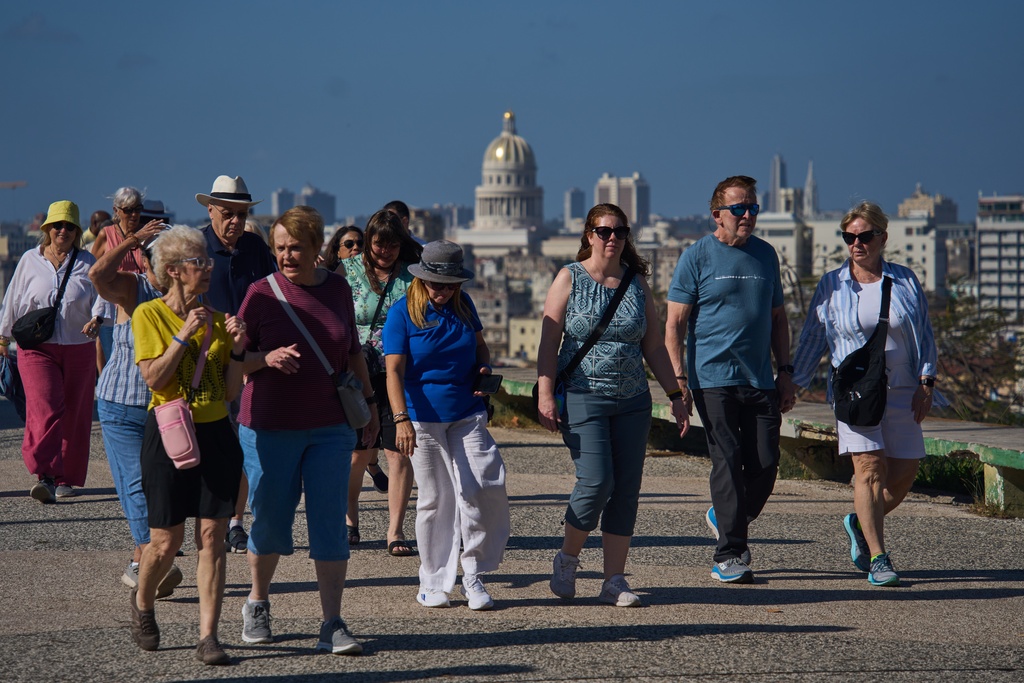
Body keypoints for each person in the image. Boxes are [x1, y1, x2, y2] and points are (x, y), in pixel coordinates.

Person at [235, 206, 379, 654]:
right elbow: (235, 364)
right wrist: (265, 358)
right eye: (279, 248)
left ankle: (332, 622)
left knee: (329, 523)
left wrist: (371, 407)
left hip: (331, 426)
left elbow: (353, 351)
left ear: (318, 248)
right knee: (271, 521)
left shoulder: (338, 289)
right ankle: (257, 603)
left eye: (295, 247)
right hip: (271, 426)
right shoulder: (260, 294)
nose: (286, 255)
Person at [537, 204, 688, 607]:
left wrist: (675, 395)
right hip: (585, 395)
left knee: (626, 490)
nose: (612, 239)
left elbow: (653, 344)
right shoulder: (569, 277)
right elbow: (549, 341)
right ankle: (568, 558)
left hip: (633, 399)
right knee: (597, 481)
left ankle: (614, 580)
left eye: (619, 231)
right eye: (603, 231)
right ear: (589, 234)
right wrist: (545, 391)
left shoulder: (636, 281)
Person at [791, 201, 942, 587]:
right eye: (850, 237)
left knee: (904, 473)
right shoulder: (833, 284)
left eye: (865, 236)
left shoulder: (905, 280)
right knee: (870, 469)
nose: (857, 243)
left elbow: (924, 333)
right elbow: (813, 337)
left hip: (904, 390)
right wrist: (794, 383)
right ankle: (879, 557)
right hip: (856, 393)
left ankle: (859, 522)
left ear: (882, 238)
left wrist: (927, 382)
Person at [665, 175, 796, 584]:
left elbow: (778, 318)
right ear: (717, 214)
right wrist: (679, 380)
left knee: (767, 460)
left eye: (753, 207)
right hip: (712, 377)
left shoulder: (765, 255)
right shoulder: (697, 256)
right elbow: (674, 323)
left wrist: (785, 371)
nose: (747, 216)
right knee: (727, 458)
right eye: (739, 208)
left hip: (758, 377)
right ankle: (731, 553)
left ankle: (724, 515)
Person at [129, 226, 246, 664]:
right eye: (200, 263)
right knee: (164, 541)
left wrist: (236, 350)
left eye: (208, 262)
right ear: (174, 271)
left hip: (215, 434)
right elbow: (154, 379)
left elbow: (230, 392)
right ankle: (143, 603)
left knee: (213, 537)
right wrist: (182, 336)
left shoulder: (218, 319)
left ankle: (208, 636)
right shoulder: (148, 315)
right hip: (168, 434)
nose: (208, 269)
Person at [383, 240, 509, 609]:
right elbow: (393, 370)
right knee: (436, 499)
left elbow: (481, 347)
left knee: (484, 485)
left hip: (467, 411)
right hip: (422, 416)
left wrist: (483, 369)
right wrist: (400, 419)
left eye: (451, 284)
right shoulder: (401, 313)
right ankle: (433, 580)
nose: (443, 291)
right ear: (422, 279)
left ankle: (473, 574)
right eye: (437, 284)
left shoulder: (464, 305)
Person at [90, 218, 182, 595]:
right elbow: (97, 274)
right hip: (121, 403)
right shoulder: (132, 288)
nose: (162, 266)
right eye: (154, 257)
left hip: (164, 407)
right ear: (143, 261)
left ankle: (140, 560)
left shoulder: (185, 296)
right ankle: (152, 554)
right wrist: (130, 240)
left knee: (161, 486)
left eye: (170, 258)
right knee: (135, 484)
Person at [195, 175, 276, 554]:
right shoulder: (194, 248)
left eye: (242, 215)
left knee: (243, 445)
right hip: (202, 363)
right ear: (210, 210)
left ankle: (235, 522)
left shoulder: (256, 249)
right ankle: (203, 522)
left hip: (247, 360)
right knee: (204, 447)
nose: (236, 222)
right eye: (228, 214)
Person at [0, 200, 99, 502]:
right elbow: (12, 299)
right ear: (47, 229)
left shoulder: (88, 261)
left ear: (77, 231)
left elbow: (103, 298)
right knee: (45, 407)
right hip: (36, 348)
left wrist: (98, 319)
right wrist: (3, 338)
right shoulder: (30, 259)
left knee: (76, 413)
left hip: (79, 347)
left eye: (69, 226)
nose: (63, 231)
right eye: (57, 225)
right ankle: (45, 473)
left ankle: (65, 476)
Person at [340, 209, 422, 555]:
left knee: (397, 450)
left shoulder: (410, 277)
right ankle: (349, 518)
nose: (385, 251)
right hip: (358, 370)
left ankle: (395, 530)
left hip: (398, 370)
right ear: (368, 242)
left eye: (392, 245)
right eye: (378, 244)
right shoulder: (349, 270)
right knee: (359, 452)